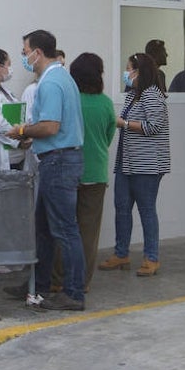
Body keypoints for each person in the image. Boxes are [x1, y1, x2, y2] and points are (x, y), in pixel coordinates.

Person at [6, 30, 86, 311]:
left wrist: (22, 130)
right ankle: (36, 286)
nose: (23, 56)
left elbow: (51, 126)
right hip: (59, 158)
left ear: (37, 53)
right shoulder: (63, 77)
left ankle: (74, 293)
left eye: (24, 50)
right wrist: (31, 138)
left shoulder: (51, 82)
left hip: (59, 162)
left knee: (64, 230)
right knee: (44, 229)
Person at [100, 53, 170, 276]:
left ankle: (151, 257)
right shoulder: (133, 95)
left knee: (146, 210)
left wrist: (124, 124)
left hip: (147, 165)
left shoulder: (152, 95)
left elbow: (153, 127)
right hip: (127, 162)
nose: (126, 73)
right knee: (122, 208)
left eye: (128, 68)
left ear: (138, 71)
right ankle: (121, 253)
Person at [53, 53, 116, 294]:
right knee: (88, 233)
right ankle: (83, 281)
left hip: (68, 170)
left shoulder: (70, 100)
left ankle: (58, 278)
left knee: (62, 228)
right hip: (96, 172)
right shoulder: (106, 103)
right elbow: (109, 135)